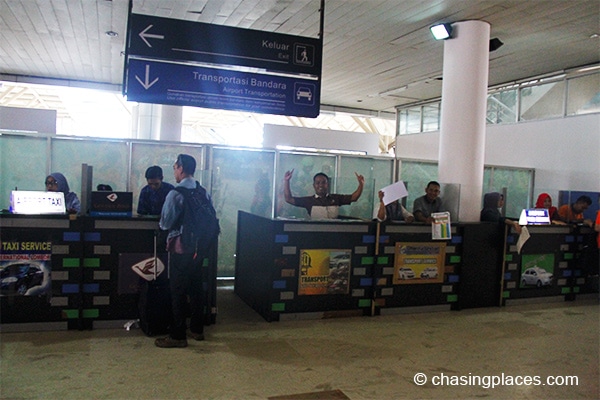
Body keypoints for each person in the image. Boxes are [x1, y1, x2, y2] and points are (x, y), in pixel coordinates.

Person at [155, 154, 208, 348]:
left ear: (181, 168)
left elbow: (165, 222)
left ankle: (177, 336)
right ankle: (197, 329)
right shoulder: (202, 191)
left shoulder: (176, 193)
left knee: (177, 291)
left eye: (175, 167)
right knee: (195, 290)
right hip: (199, 248)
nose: (174, 171)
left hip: (180, 248)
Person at [283, 170, 364, 219]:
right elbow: (288, 199)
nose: (320, 185)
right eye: (317, 183)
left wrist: (361, 184)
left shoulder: (336, 198)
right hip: (315, 235)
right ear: (314, 186)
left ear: (327, 185)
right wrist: (286, 181)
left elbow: (354, 197)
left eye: (323, 182)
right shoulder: (308, 201)